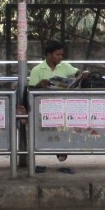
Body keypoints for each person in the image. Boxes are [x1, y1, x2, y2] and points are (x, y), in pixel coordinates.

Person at [27, 40, 87, 172]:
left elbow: (77, 72)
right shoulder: (37, 70)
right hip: (43, 108)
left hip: (62, 106)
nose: (60, 57)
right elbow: (30, 90)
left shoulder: (64, 66)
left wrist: (80, 76)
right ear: (49, 55)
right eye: (57, 55)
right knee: (41, 132)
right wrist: (39, 86)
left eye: (61, 55)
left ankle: (61, 148)